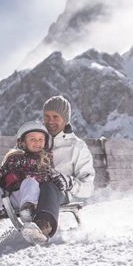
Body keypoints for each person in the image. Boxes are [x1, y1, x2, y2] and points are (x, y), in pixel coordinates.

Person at [34, 95, 95, 239]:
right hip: (30, 188)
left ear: (65, 119)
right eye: (47, 116)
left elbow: (88, 188)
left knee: (48, 186)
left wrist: (68, 182)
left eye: (55, 116)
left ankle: (44, 225)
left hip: (60, 192)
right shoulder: (35, 140)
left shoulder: (77, 147)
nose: (50, 121)